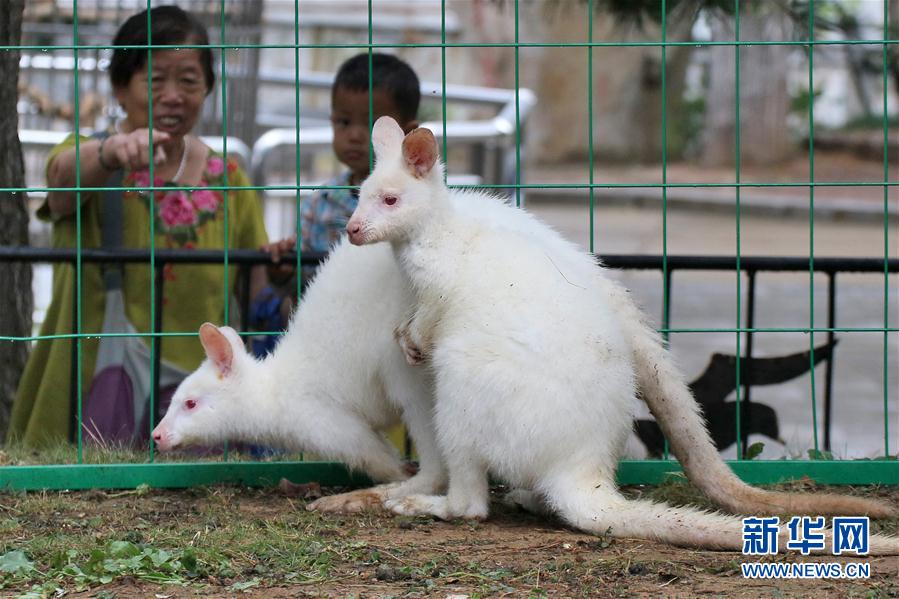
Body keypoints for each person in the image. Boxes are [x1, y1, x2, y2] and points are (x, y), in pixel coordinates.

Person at [9, 6, 274, 447]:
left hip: (200, 397)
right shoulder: (91, 156)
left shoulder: (230, 179)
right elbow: (59, 184)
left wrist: (281, 270)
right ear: (119, 88)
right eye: (154, 80)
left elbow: (258, 284)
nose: (173, 95)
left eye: (189, 80)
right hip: (89, 375)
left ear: (208, 87)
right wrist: (112, 153)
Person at [257, 52, 421, 353]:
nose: (355, 136)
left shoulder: (418, 202)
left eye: (371, 125)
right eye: (344, 122)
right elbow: (301, 284)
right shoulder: (320, 203)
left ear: (407, 133)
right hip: (331, 339)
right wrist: (282, 272)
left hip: (390, 338)